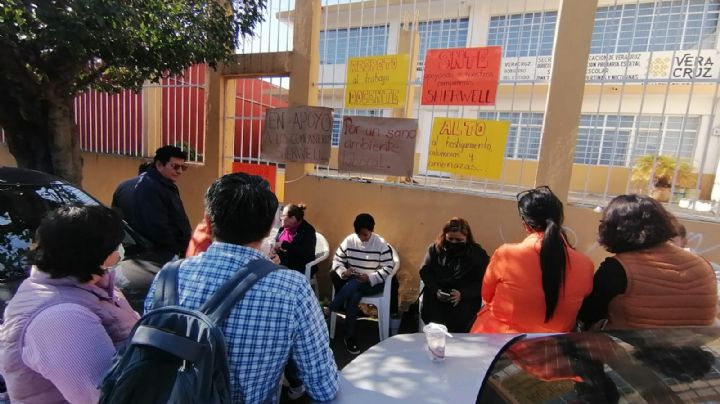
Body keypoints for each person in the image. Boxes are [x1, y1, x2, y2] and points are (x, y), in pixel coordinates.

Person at [143, 173, 338, 402]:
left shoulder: (168, 276)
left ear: (207, 219)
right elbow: (323, 385)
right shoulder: (292, 290)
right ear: (269, 228)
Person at [0, 205, 140, 403]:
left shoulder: (94, 287)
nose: (120, 251)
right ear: (94, 254)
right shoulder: (61, 318)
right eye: (116, 245)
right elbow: (103, 397)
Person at [578, 194, 717, 330]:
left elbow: (587, 314)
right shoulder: (702, 264)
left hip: (635, 348)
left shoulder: (619, 268)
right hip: (695, 347)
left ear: (612, 229)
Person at [471, 186, 594, 333]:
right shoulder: (585, 265)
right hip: (551, 349)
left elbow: (486, 295)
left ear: (526, 224)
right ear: (560, 219)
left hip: (495, 345)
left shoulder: (506, 255)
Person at [329, 213, 395, 354]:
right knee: (355, 296)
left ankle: (332, 307)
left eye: (365, 235)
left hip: (374, 283)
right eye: (360, 235)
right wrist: (343, 272)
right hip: (355, 280)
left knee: (354, 286)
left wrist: (371, 278)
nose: (362, 238)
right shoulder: (349, 241)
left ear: (371, 231)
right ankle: (350, 337)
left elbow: (389, 267)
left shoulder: (380, 244)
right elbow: (336, 260)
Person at [420, 217, 489, 333]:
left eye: (459, 240)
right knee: (433, 317)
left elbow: (483, 281)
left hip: (465, 299)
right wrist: (436, 290)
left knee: (462, 319)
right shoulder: (435, 249)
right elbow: (425, 271)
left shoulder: (477, 254)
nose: (453, 243)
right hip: (437, 296)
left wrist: (462, 294)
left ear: (467, 239)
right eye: (450, 239)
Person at [129, 145, 192, 263]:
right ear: (159, 165)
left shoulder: (167, 185)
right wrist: (176, 250)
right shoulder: (150, 187)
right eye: (175, 166)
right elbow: (158, 227)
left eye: (183, 167)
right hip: (160, 256)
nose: (179, 171)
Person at [274, 203, 317, 275]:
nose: (281, 218)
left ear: (293, 218)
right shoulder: (283, 228)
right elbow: (277, 241)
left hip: (298, 266)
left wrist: (284, 244)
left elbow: (307, 254)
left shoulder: (308, 231)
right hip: (282, 261)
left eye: (284, 215)